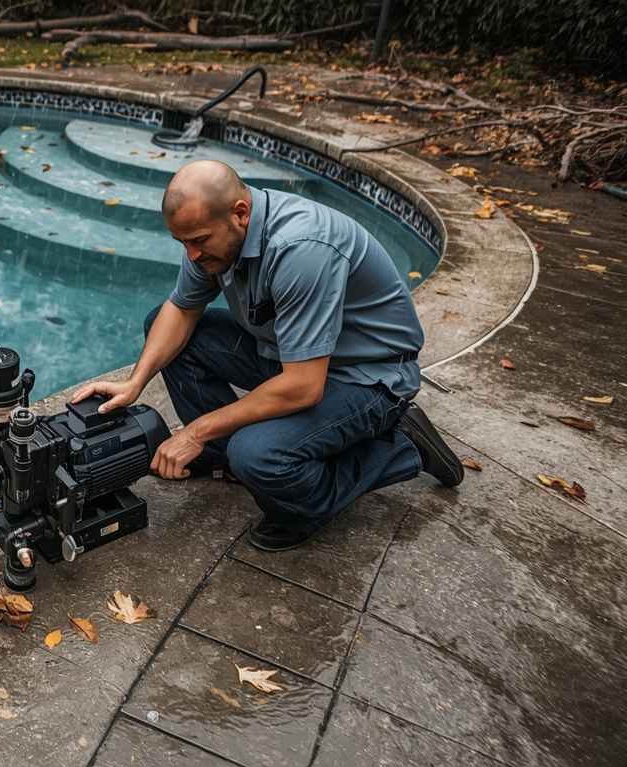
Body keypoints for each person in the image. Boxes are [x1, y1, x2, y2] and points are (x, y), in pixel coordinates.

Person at [71, 160, 463, 551]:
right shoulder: (216, 237)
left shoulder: (302, 249)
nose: (191, 255)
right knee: (168, 328)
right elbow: (182, 309)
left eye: (199, 240)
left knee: (257, 455)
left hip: (366, 377)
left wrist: (195, 431)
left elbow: (303, 387)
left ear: (240, 214)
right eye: (182, 242)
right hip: (290, 355)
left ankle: (398, 449)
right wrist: (135, 382)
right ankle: (223, 457)